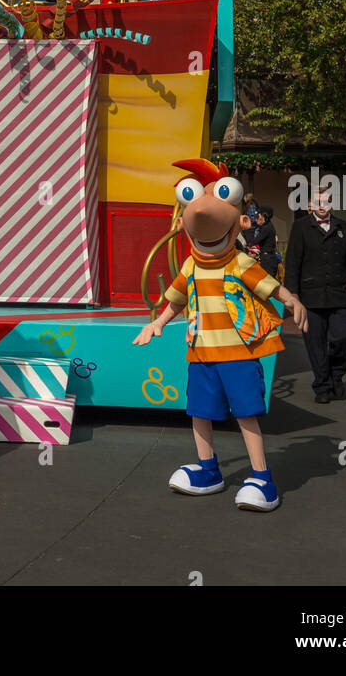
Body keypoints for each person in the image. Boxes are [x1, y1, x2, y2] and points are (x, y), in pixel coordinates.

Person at [134, 158, 306, 513]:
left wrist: (291, 298)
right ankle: (208, 469)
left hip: (238, 353)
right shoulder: (191, 265)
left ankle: (261, 477)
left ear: (240, 219)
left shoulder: (238, 263)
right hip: (201, 353)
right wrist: (159, 322)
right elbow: (177, 299)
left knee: (245, 413)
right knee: (200, 411)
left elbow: (269, 287)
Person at [284, 193, 346, 403]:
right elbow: (292, 262)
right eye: (318, 202)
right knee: (315, 343)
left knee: (342, 337)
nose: (322, 206)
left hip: (339, 295)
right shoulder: (301, 227)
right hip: (310, 297)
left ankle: (336, 375)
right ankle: (322, 385)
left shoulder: (343, 227)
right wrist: (292, 294)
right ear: (311, 205)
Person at [248, 206, 279, 277]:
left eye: (259, 216)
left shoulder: (266, 228)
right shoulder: (269, 225)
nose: (257, 219)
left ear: (263, 216)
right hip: (269, 258)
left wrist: (247, 231)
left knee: (267, 282)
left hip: (267, 259)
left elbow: (255, 241)